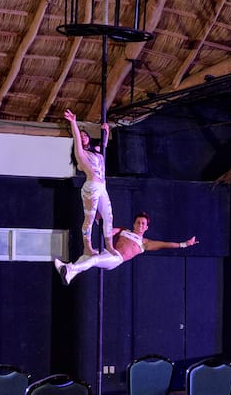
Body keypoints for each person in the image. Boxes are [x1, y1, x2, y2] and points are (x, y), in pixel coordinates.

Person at [55, 212, 196, 282]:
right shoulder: (124, 230)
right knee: (87, 255)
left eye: (143, 224)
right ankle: (70, 274)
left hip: (116, 259)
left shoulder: (145, 243)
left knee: (94, 260)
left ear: (146, 227)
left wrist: (184, 244)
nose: (140, 225)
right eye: (138, 222)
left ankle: (70, 268)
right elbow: (108, 232)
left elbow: (166, 245)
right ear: (134, 224)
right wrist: (99, 220)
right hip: (108, 252)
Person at [65, 110, 113, 256]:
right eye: (81, 137)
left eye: (85, 135)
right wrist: (73, 122)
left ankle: (109, 246)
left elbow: (103, 146)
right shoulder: (81, 154)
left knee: (108, 216)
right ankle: (87, 247)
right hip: (91, 186)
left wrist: (106, 131)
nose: (83, 137)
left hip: (102, 187)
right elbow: (76, 138)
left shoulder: (96, 151)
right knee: (90, 218)